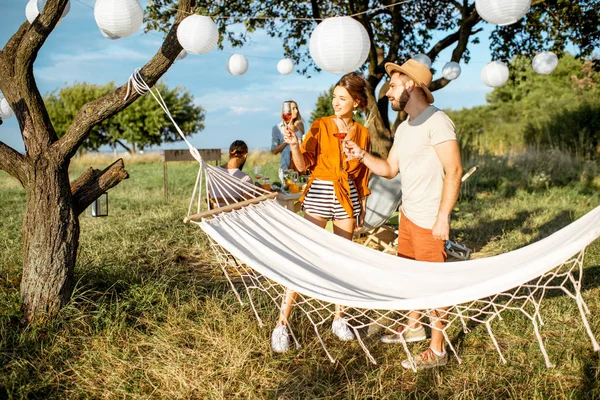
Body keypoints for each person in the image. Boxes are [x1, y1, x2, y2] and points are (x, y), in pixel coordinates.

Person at [345, 59, 463, 370]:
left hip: (429, 219)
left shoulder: (438, 122)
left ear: (411, 85)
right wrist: (362, 155)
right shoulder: (404, 128)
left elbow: (454, 170)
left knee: (434, 286)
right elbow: (389, 169)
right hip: (408, 216)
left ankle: (437, 351)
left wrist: (443, 217)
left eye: (393, 87)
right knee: (410, 276)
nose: (387, 94)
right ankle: (414, 327)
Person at [270, 72, 371, 353]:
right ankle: (281, 324)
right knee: (304, 257)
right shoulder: (320, 125)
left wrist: (361, 206)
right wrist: (292, 144)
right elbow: (302, 167)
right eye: (334, 97)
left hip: (346, 195)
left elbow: (362, 176)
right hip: (319, 193)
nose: (336, 102)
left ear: (357, 101)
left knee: (344, 259)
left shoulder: (363, 133)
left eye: (343, 98)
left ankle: (339, 318)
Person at [210, 140, 253, 208]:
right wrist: (259, 193)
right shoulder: (245, 179)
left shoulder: (212, 172)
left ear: (229, 153)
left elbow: (209, 195)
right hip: (235, 217)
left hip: (216, 216)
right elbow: (250, 205)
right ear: (245, 155)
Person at [271, 100, 305, 182]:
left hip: (300, 166)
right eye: (293, 109)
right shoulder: (277, 128)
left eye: (296, 108)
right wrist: (286, 141)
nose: (296, 111)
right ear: (286, 111)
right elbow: (274, 151)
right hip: (286, 168)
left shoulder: (300, 126)